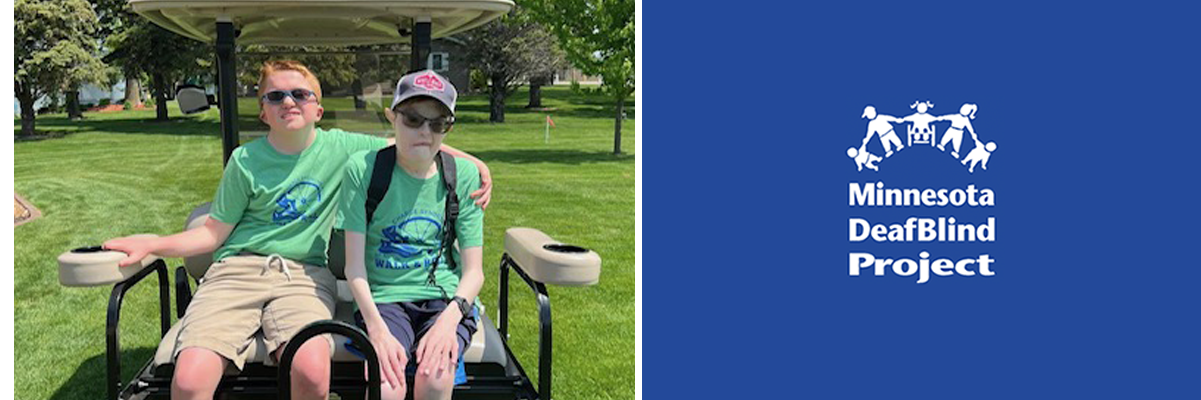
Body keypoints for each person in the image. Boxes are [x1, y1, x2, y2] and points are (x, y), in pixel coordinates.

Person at [102, 61, 492, 400]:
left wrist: (474, 162)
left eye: (300, 94)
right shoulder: (245, 161)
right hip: (235, 273)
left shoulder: (342, 148)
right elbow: (211, 235)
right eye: (276, 97)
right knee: (188, 382)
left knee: (310, 370)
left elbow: (411, 142)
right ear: (263, 113)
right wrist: (155, 243)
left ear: (318, 110)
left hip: (303, 276)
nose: (289, 101)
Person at [340, 70, 484, 400]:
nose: (425, 132)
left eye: (438, 124)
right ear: (393, 117)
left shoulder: (462, 175)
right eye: (414, 119)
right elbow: (354, 268)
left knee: (435, 378)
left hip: (444, 299)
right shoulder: (363, 169)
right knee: (387, 386)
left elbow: (474, 272)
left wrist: (449, 322)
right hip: (384, 298)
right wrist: (376, 330)